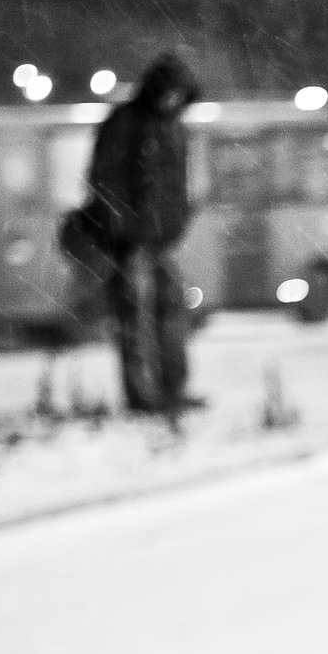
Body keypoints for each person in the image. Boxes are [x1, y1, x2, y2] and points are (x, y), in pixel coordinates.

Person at [87, 53, 202, 416]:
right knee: (136, 318)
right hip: (131, 242)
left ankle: (172, 389)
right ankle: (143, 396)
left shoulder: (174, 127)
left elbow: (175, 183)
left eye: (180, 94)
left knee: (171, 311)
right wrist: (123, 228)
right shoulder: (127, 122)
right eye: (170, 92)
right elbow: (104, 178)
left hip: (161, 240)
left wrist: (177, 221)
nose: (174, 100)